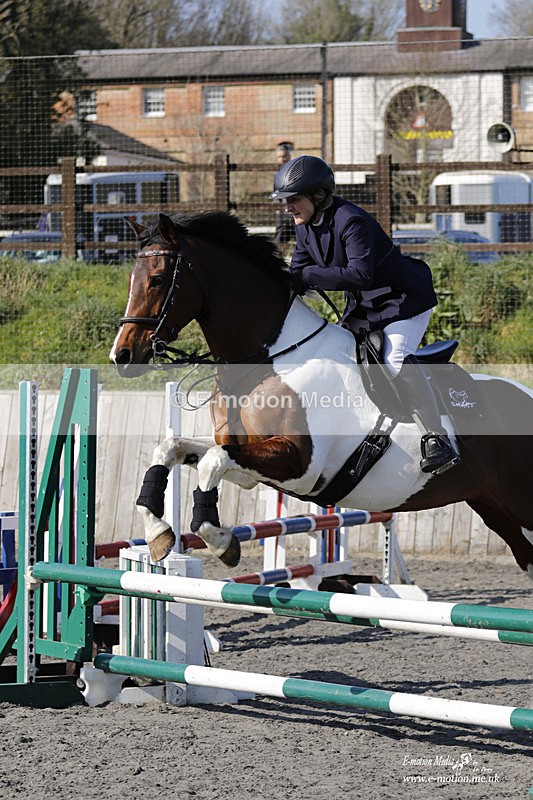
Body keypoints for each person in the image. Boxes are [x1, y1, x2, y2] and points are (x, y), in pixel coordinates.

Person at [269, 154, 460, 476]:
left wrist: (306, 276)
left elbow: (358, 275)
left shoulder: (351, 220)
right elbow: (298, 273)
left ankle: (436, 439)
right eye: (284, 200)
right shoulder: (304, 224)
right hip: (366, 307)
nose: (287, 207)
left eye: (293, 199)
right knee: (336, 353)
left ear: (318, 196)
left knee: (393, 359)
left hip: (403, 302)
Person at [273, 142, 296, 246]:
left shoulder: (295, 172)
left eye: (285, 156)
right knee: (279, 242)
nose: (282, 159)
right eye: (279, 157)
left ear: (289, 156)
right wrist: (277, 208)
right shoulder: (276, 174)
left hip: (296, 211)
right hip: (283, 214)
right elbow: (275, 194)